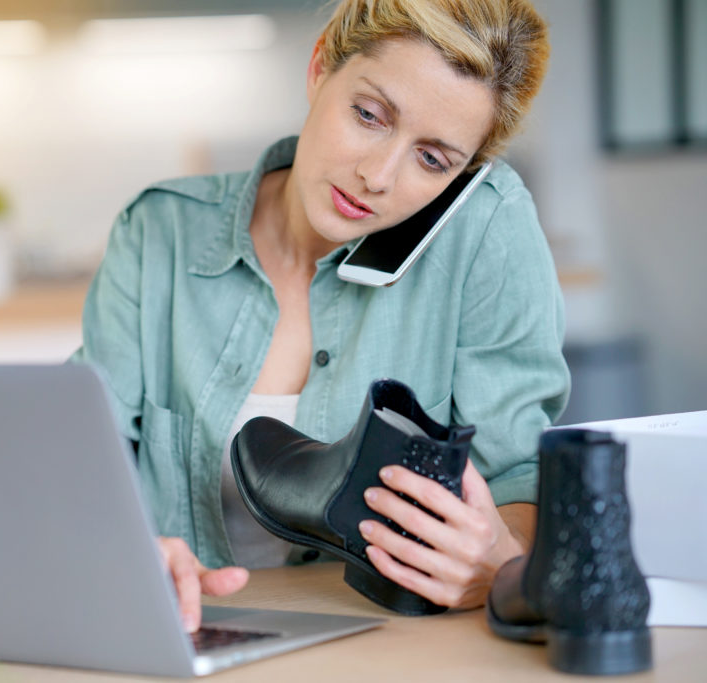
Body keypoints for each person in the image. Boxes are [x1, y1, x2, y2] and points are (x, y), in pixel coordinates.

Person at [70, 0, 569, 632]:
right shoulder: (159, 231)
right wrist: (118, 554)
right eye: (368, 115)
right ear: (319, 67)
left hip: (393, 653)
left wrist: (499, 557)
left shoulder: (487, 231)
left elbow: (517, 474)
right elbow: (83, 456)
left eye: (433, 160)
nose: (376, 175)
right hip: (182, 640)